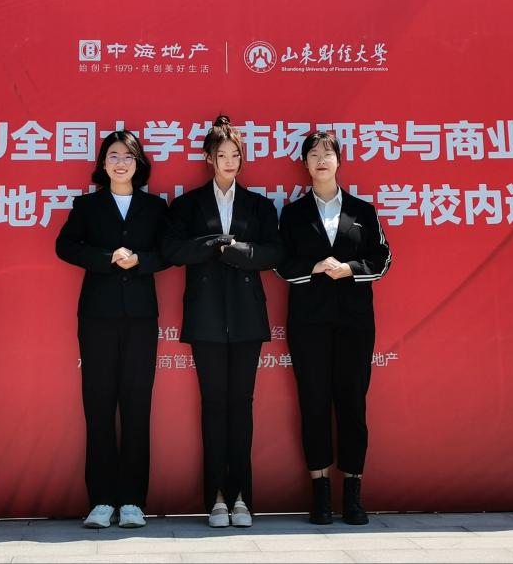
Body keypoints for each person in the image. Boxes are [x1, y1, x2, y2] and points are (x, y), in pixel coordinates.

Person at [161, 115, 284, 528]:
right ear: (208, 158)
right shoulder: (188, 205)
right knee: (213, 405)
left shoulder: (259, 205)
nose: (230, 162)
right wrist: (213, 244)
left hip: (247, 315)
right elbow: (171, 250)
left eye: (236, 155)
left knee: (241, 406)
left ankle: (242, 498)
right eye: (222, 155)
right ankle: (215, 497)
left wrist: (236, 251)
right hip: (206, 315)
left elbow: (274, 253)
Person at [274, 132, 392, 526]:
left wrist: (351, 269)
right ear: (305, 164)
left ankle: (353, 494)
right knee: (313, 402)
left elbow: (383, 258)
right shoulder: (293, 214)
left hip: (354, 323)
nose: (321, 159)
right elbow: (280, 263)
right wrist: (312, 267)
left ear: (339, 161)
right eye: (313, 154)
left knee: (352, 403)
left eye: (328, 153)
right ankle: (320, 494)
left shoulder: (363, 210)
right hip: (308, 322)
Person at [55, 130, 168, 529]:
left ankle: (133, 500)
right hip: (97, 317)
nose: (121, 163)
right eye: (114, 156)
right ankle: (101, 500)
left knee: (137, 406)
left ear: (139, 163)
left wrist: (140, 261)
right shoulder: (87, 205)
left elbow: (169, 252)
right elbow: (65, 246)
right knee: (99, 405)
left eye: (128, 156)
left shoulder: (155, 207)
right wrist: (106, 258)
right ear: (103, 163)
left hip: (140, 317)